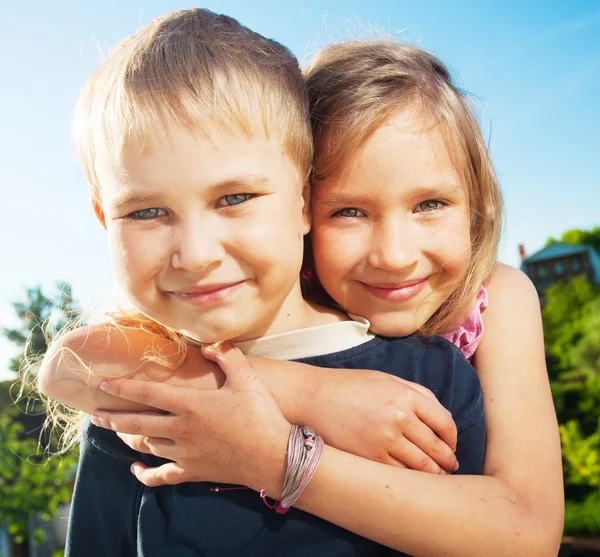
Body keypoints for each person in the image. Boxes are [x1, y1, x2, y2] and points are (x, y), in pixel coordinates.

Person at [36, 10, 562, 557]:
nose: (394, 254)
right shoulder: (138, 406)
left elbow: (522, 534)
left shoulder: (448, 359)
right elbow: (70, 366)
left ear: (299, 202)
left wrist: (277, 457)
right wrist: (315, 395)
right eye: (351, 212)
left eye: (234, 198)